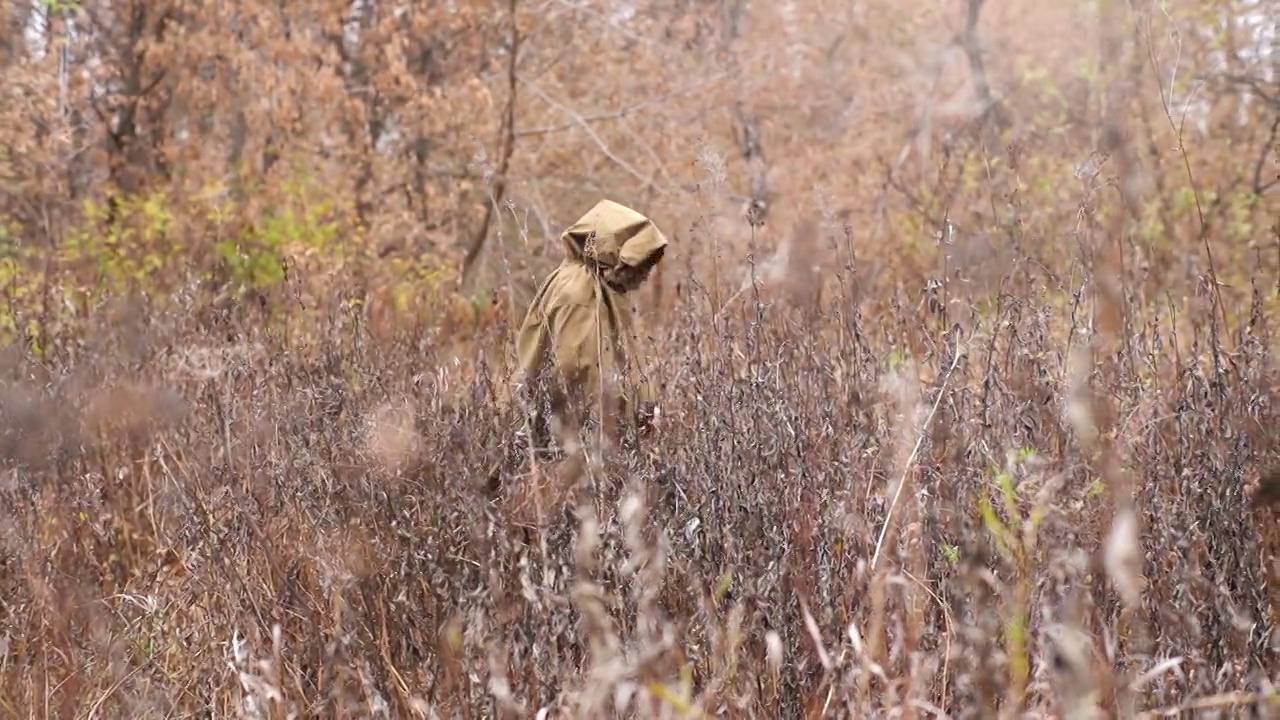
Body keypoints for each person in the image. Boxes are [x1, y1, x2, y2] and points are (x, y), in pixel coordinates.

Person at [511, 199, 668, 460]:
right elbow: (575, 369)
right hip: (576, 445)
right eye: (639, 263)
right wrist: (621, 416)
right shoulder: (582, 293)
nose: (644, 274)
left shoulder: (591, 283)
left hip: (577, 440)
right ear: (612, 251)